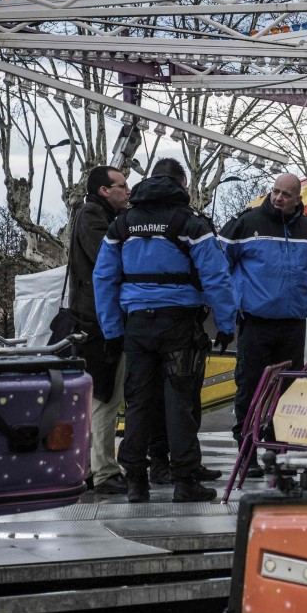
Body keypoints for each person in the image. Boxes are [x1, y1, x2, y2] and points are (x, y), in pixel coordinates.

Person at [94, 158, 237, 503]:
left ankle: (136, 482)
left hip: (136, 326)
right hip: (179, 324)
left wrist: (112, 331)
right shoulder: (190, 223)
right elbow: (216, 277)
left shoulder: (122, 224)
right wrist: (226, 324)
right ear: (181, 183)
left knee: (138, 403)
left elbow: (104, 278)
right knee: (180, 402)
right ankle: (185, 481)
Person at [219, 173, 307, 475]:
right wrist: (234, 300)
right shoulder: (246, 223)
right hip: (255, 321)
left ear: (298, 199)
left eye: (286, 194)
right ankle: (247, 453)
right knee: (250, 387)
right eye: (275, 191)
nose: (278, 198)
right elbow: (220, 262)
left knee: (288, 389)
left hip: (292, 323)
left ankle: (280, 450)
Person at [64, 165, 131, 495]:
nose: (128, 191)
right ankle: (104, 471)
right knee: (105, 397)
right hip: (98, 322)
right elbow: (108, 260)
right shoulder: (94, 217)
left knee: (99, 397)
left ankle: (91, 467)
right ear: (105, 190)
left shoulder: (92, 214)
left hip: (92, 320)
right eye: (122, 185)